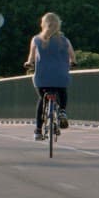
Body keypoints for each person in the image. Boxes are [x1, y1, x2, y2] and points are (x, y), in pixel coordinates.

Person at [24, 11, 76, 141]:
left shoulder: (36, 40)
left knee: (42, 99)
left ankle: (37, 131)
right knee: (62, 90)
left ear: (43, 24)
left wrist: (29, 64)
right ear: (58, 25)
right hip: (60, 77)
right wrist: (72, 63)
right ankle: (63, 111)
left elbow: (30, 59)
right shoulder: (65, 40)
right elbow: (72, 57)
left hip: (42, 79)